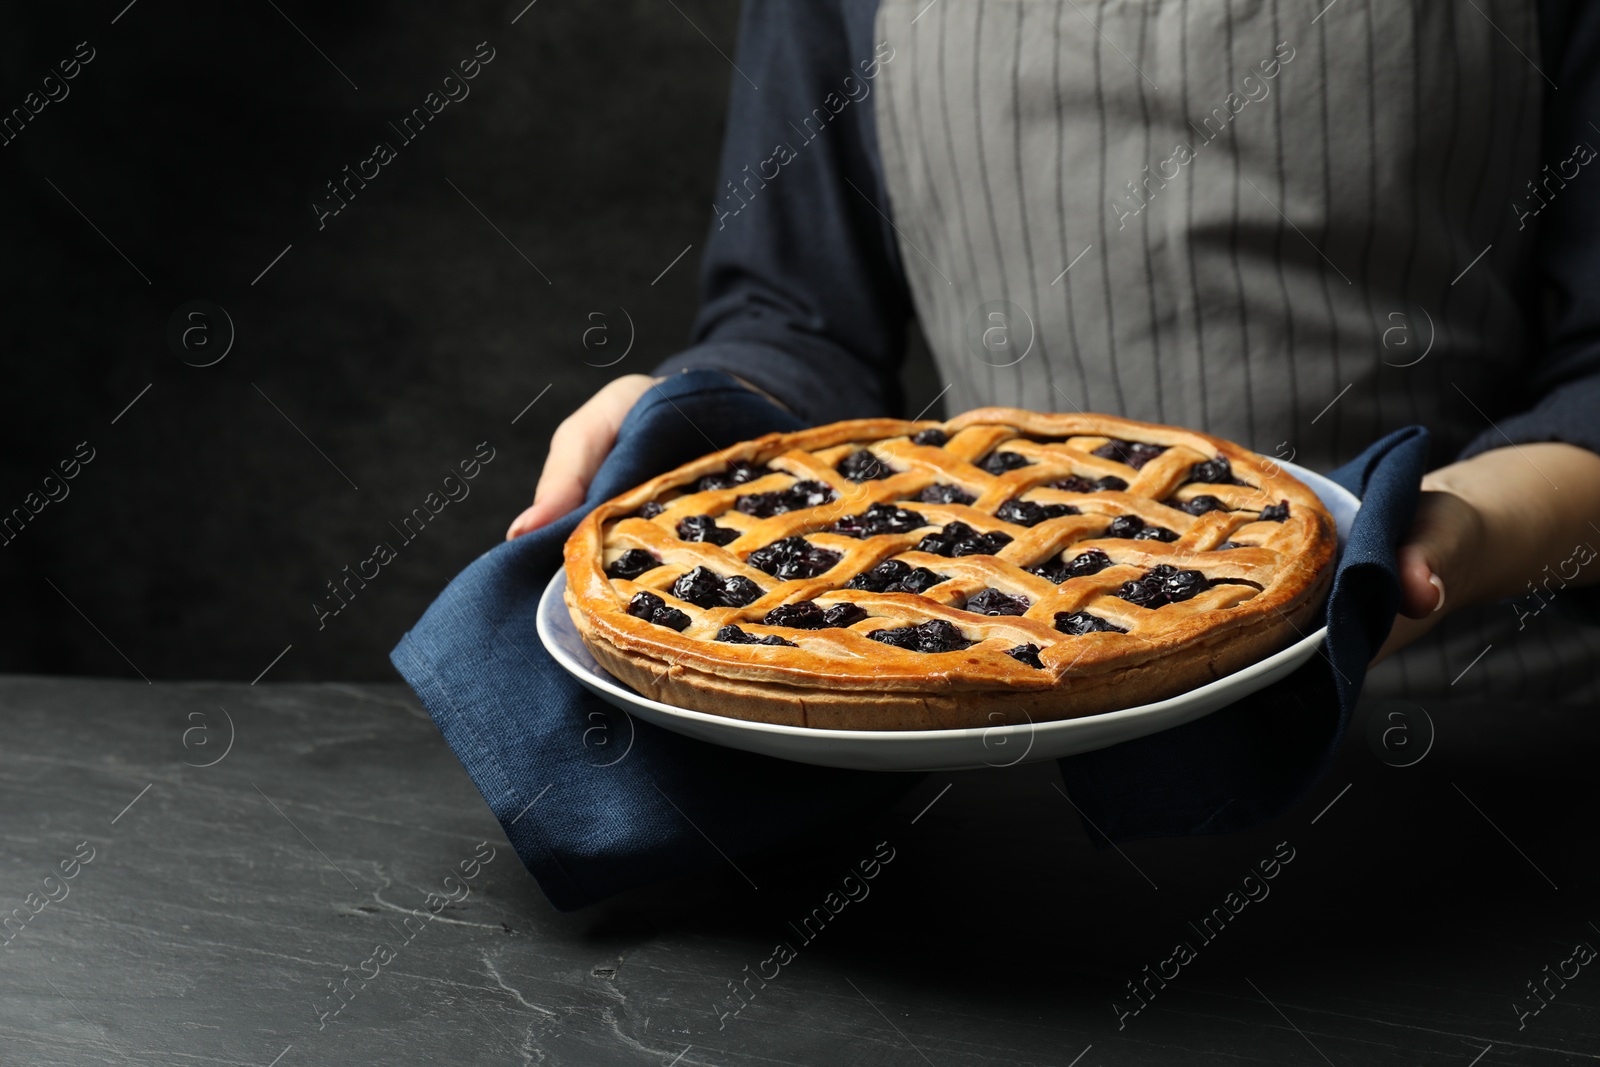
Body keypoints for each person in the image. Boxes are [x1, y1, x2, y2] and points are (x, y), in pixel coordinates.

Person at [510, 0, 1600, 698]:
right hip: (987, 736)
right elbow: (802, 326)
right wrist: (696, 411)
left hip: (1479, 737)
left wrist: (1462, 531)